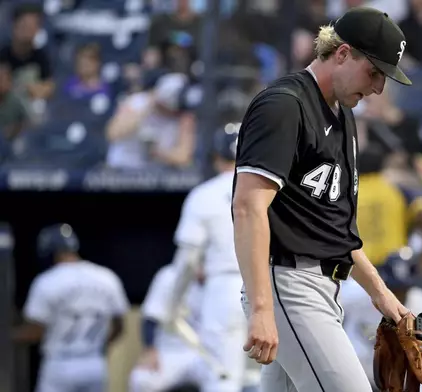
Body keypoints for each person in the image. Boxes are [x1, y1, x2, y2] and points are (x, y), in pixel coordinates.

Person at [232, 7, 413, 392]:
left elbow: (335, 229)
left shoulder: (342, 114)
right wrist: (264, 309)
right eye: (375, 72)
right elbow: (248, 207)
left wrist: (382, 295)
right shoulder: (284, 105)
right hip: (288, 285)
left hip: (323, 288)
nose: (379, 87)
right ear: (343, 53)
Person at [165, 123, 247, 392]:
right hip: (272, 287)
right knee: (268, 379)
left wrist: (174, 303)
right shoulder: (274, 191)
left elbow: (188, 259)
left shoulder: (205, 194)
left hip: (224, 289)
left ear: (215, 158)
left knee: (222, 378)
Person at [13, 223, 129, 392]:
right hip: (94, 363)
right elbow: (119, 326)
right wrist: (99, 346)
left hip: (59, 364)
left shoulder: (46, 281)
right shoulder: (106, 277)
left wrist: (10, 336)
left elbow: (35, 331)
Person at [341, 247, 422, 390]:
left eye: (402, 289)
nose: (397, 294)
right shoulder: (354, 297)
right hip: (355, 382)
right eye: (392, 287)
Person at [129, 264, 208, 392]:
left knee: (223, 381)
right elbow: (151, 318)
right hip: (170, 351)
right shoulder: (170, 276)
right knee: (141, 379)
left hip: (205, 353)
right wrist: (150, 349)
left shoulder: (223, 281)